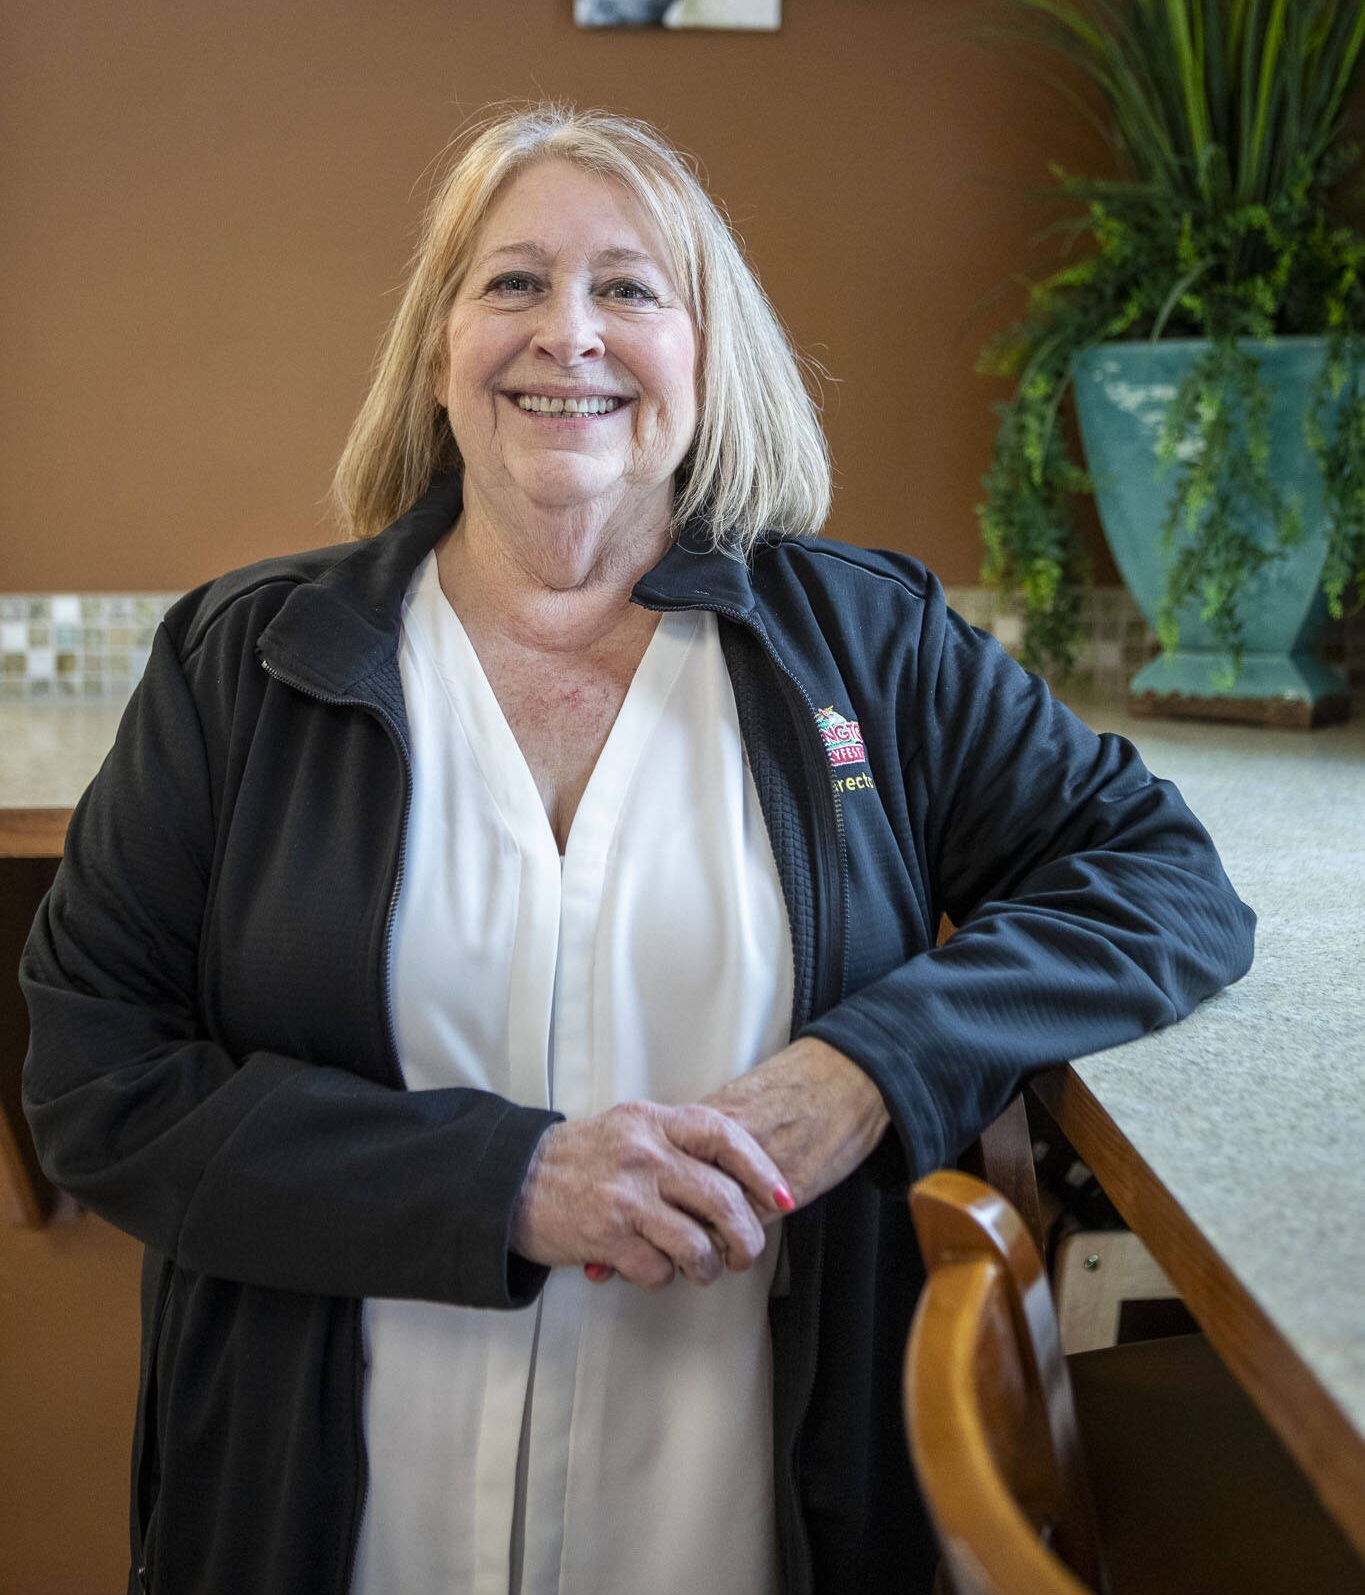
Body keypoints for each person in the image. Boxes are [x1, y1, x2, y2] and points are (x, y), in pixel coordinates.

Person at [21, 104, 1255, 1595]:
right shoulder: (245, 659)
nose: (570, 335)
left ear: (702, 352)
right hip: (324, 1524)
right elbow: (97, 1079)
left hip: (759, 1520)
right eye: (513, 283)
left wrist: (868, 1066)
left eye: (628, 288)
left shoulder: (862, 643)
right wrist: (506, 1183)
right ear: (437, 348)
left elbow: (1156, 879)